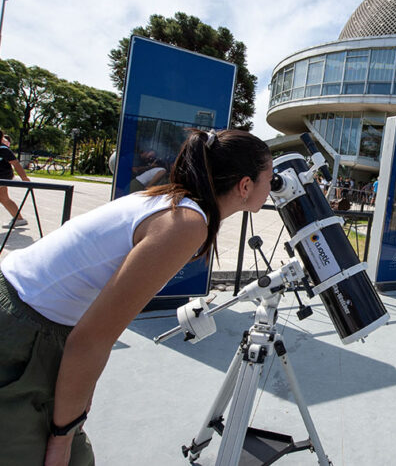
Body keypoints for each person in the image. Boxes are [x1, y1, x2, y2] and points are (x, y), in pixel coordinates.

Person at [0, 129, 272, 465]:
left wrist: (78, 406)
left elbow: (94, 327)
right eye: (269, 178)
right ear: (245, 186)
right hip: (22, 328)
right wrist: (61, 438)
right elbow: (92, 338)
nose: (272, 186)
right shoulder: (187, 223)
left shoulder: (172, 201)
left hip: (32, 314)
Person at [0, 130, 32, 228]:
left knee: (3, 198)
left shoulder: (3, 149)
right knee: (4, 198)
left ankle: (19, 219)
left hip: (3, 176)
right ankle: (19, 219)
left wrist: (24, 178)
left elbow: (16, 163)